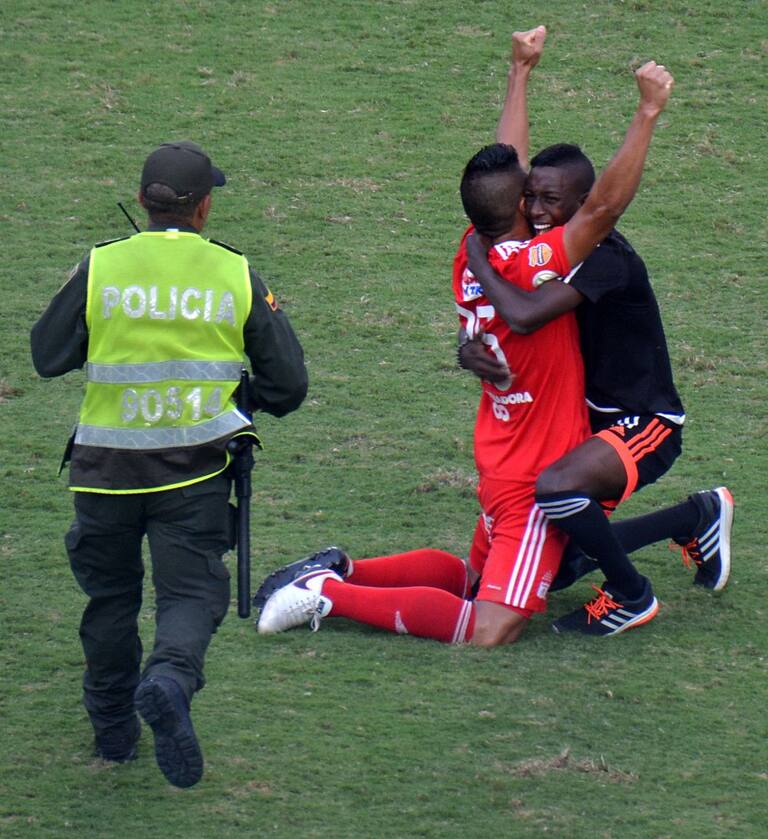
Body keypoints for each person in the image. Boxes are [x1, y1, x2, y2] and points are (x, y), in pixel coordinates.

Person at [254, 58, 675, 647]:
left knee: (474, 580)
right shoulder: (529, 265)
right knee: (492, 626)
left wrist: (520, 72)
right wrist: (648, 111)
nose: (538, 205)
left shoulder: (468, 251)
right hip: (533, 476)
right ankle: (328, 594)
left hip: (497, 455)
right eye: (530, 196)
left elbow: (504, 166)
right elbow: (602, 208)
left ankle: (345, 570)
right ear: (519, 207)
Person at [30, 141, 308, 787]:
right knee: (189, 592)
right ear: (204, 207)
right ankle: (169, 680)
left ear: (141, 200)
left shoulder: (101, 264)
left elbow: (47, 355)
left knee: (110, 599)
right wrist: (244, 400)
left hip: (103, 471)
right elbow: (289, 384)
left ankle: (112, 733)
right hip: (194, 474)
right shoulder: (234, 272)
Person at [458, 27, 732, 636]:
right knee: (555, 566)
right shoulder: (546, 240)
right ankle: (696, 516)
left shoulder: (603, 257)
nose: (534, 213)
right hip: (590, 424)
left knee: (556, 489)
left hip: (643, 423)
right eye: (530, 200)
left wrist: (648, 111)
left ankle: (632, 596)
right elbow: (506, 169)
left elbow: (526, 313)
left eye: (551, 202)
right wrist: (520, 72)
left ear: (582, 202)